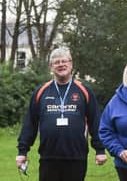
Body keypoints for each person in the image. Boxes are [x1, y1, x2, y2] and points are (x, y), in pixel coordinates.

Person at [16, 48, 107, 181]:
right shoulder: (41, 92)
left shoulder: (84, 90)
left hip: (76, 157)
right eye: (56, 62)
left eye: (64, 61)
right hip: (48, 157)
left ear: (71, 64)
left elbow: (95, 121)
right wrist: (22, 151)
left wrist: (100, 150)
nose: (61, 64)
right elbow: (30, 123)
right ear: (51, 67)